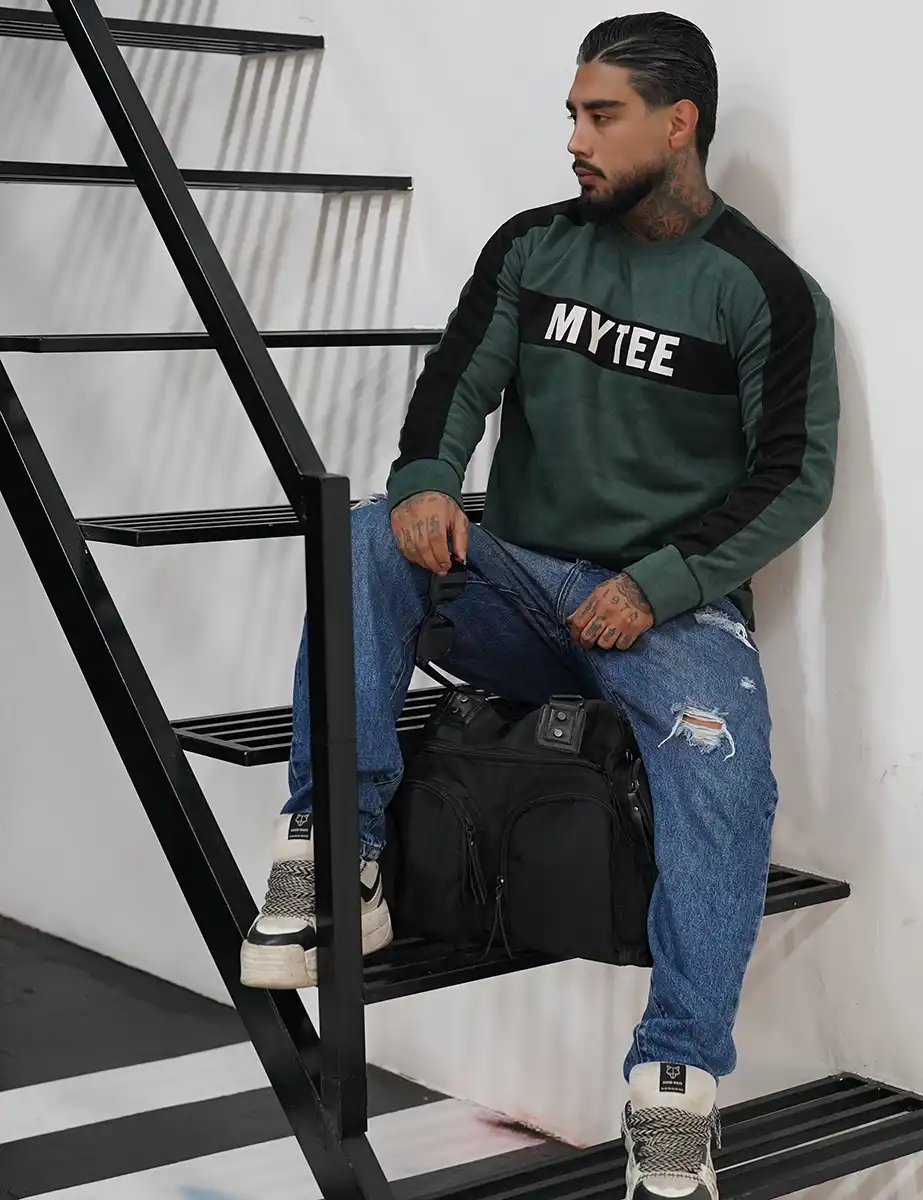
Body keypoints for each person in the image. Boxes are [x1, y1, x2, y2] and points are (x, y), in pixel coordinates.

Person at [240, 11, 839, 1200]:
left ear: (680, 123)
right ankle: (338, 857)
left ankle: (673, 1085)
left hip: (670, 614)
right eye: (572, 113)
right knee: (364, 534)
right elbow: (455, 387)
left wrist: (658, 585)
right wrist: (426, 480)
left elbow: (793, 479)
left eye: (601, 115)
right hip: (518, 587)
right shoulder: (533, 247)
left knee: (725, 773)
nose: (575, 138)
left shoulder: (764, 289)